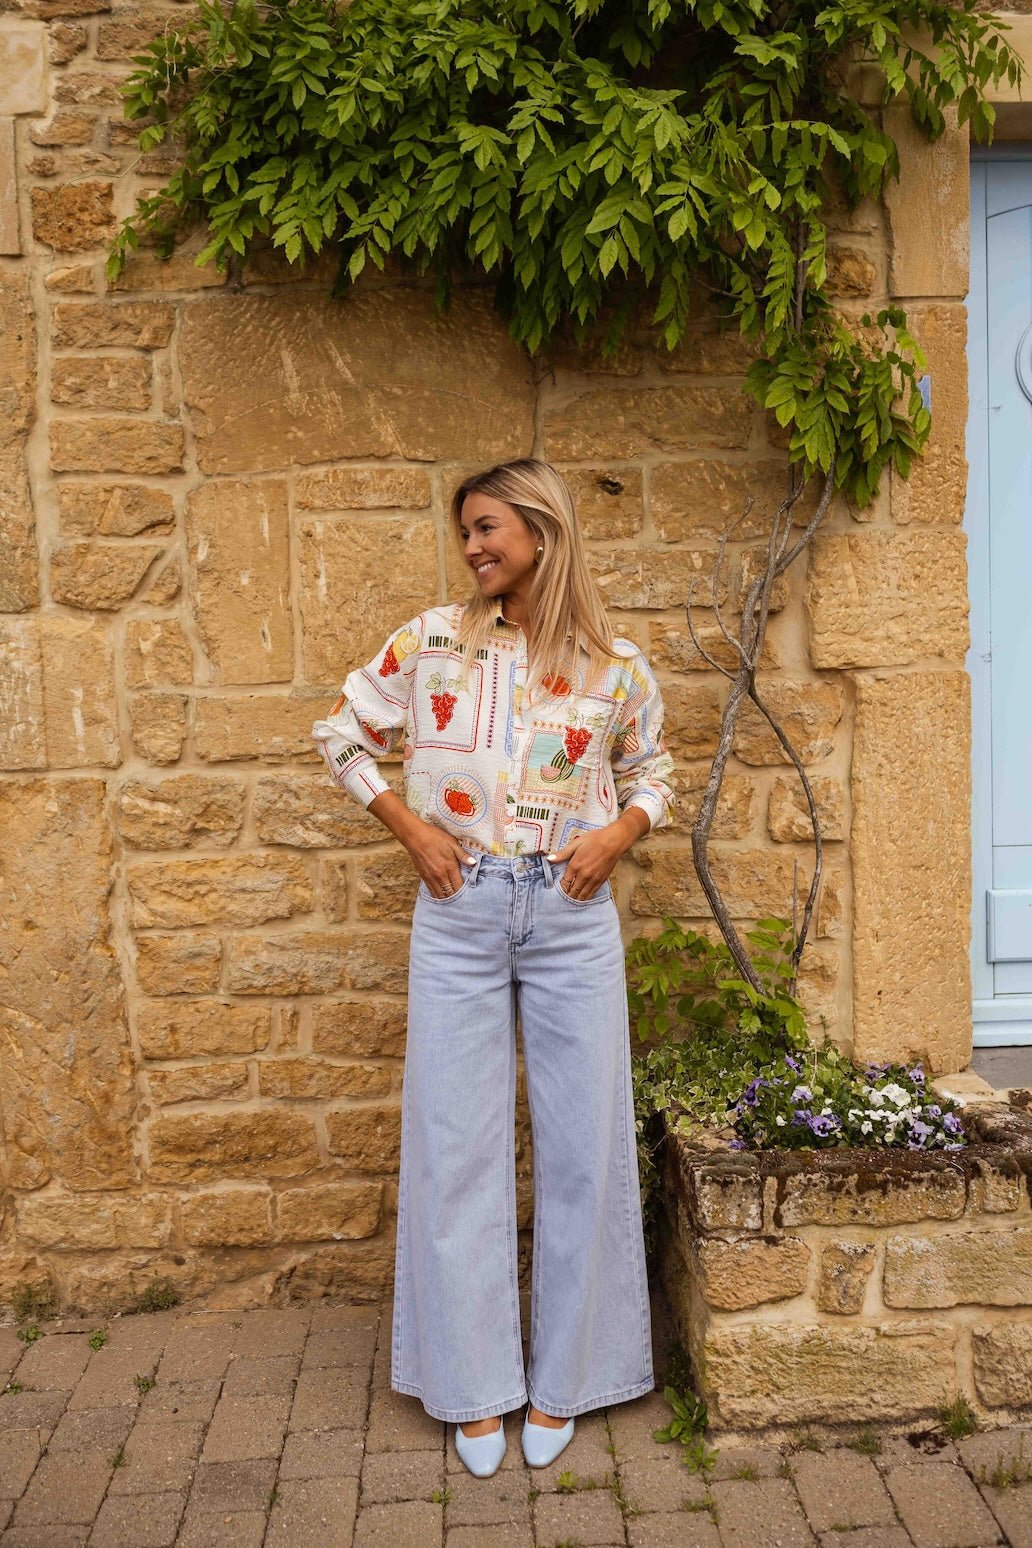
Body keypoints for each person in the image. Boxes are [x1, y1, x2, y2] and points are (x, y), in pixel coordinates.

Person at [311, 458, 675, 1479]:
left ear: (541, 530)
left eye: (487, 527)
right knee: (456, 1141)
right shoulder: (429, 643)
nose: (472, 546)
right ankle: (474, 1390)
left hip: (569, 913)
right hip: (460, 910)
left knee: (581, 1145)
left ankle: (570, 1379)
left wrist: (618, 837)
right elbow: (340, 733)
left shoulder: (617, 665)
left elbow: (655, 771)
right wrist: (410, 832)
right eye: (466, 532)